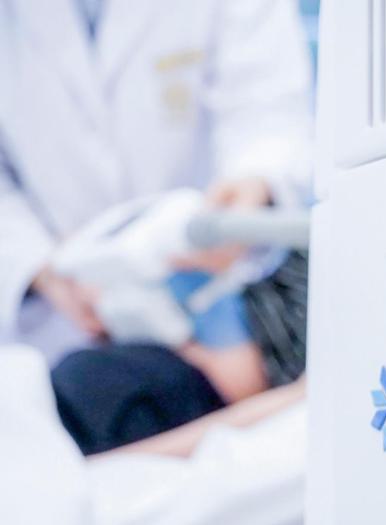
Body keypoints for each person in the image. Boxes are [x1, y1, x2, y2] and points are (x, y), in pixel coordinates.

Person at [0, 0, 313, 452]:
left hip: (221, 289)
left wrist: (252, 185)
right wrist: (42, 268)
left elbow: (269, 115)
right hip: (60, 323)